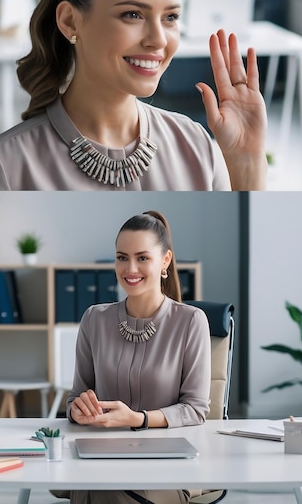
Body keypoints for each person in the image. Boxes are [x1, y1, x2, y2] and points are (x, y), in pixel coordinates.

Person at [0, 0, 267, 191]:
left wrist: (246, 160)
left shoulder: (196, 145)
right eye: (132, 14)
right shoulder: (1, 165)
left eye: (170, 17)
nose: (159, 39)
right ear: (70, 21)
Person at [64, 210, 211, 504]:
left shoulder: (191, 321)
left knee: (113, 493)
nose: (130, 268)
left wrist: (139, 419)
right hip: (100, 458)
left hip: (167, 465)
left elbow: (195, 409)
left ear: (165, 261)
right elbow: (76, 398)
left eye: (142, 258)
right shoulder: (94, 319)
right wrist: (78, 411)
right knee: (102, 487)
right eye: (122, 257)